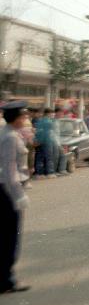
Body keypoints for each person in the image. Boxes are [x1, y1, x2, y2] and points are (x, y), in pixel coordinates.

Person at [0, 100, 31, 294]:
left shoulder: (5, 132)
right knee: (9, 237)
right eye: (24, 116)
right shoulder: (10, 136)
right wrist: (18, 195)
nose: (26, 119)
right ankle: (6, 280)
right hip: (7, 191)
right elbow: (10, 170)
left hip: (3, 188)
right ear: (17, 118)